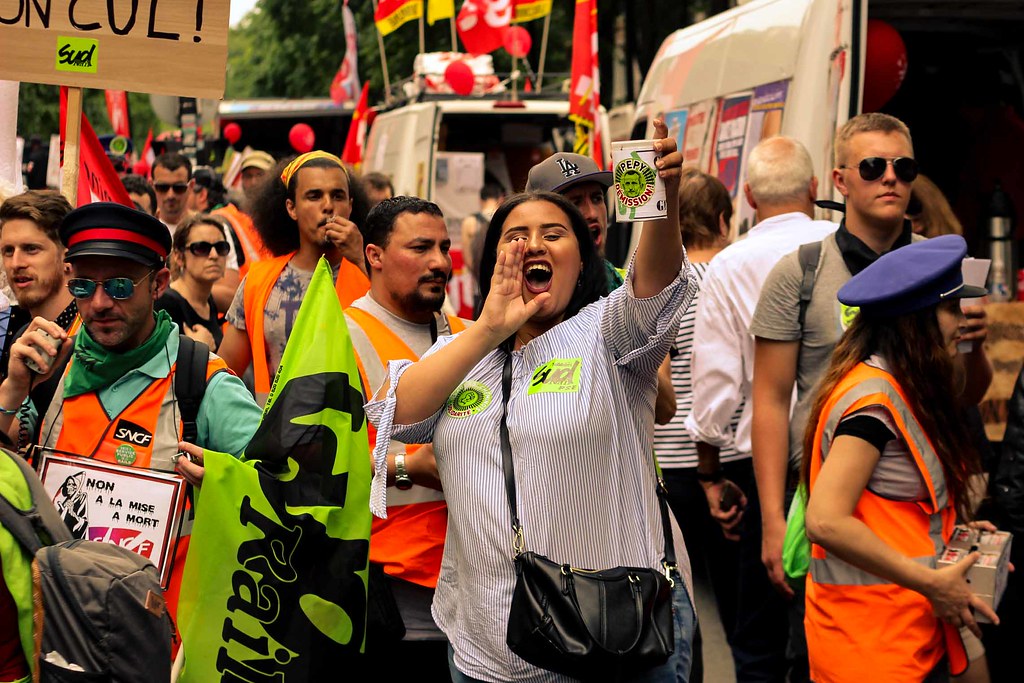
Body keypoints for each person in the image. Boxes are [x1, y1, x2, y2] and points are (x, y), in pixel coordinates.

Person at [366, 120, 697, 682]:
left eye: (554, 233)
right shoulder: (465, 351)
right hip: (484, 653)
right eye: (516, 235)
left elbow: (656, 281)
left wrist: (659, 202)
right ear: (494, 259)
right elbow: (400, 411)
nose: (534, 245)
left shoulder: (607, 332)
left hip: (609, 645)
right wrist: (489, 329)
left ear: (583, 257)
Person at [749, 113, 993, 618]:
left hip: (923, 506)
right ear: (839, 179)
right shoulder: (800, 271)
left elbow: (967, 396)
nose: (891, 178)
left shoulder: (948, 270)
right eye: (873, 166)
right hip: (834, 507)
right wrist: (773, 519)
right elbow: (771, 400)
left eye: (904, 167)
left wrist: (975, 347)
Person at [0, 202, 262, 625]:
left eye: (120, 287)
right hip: (59, 635)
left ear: (158, 283)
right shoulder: (49, 371)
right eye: (84, 287)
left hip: (160, 641)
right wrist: (12, 388)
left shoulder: (202, 382)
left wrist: (222, 484)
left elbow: (279, 497)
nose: (100, 303)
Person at [802, 234, 995, 682]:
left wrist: (957, 535)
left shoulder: (902, 383)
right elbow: (825, 521)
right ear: (919, 322)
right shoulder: (872, 402)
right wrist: (932, 584)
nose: (960, 321)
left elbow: (898, 511)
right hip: (872, 644)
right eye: (952, 309)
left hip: (908, 624)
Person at [684, 136, 837, 680]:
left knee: (760, 632)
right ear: (816, 189)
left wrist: (709, 475)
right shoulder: (844, 246)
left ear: (747, 197)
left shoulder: (731, 265)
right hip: (848, 452)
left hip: (760, 465)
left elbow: (717, 385)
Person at [344, 196, 467, 677]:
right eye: (420, 248)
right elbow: (309, 464)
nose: (440, 262)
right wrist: (405, 468)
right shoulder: (337, 338)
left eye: (444, 247)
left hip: (482, 594)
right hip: (393, 599)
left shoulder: (470, 334)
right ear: (374, 255)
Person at [651, 170, 737, 682]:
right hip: (717, 462)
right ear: (723, 221)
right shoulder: (728, 280)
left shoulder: (662, 283)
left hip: (669, 467)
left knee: (683, 599)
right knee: (731, 598)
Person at [219, 151, 370, 405]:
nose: (328, 205)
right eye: (314, 196)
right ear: (291, 208)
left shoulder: (375, 273)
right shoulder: (259, 280)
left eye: (337, 196)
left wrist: (363, 261)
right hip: (277, 439)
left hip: (359, 440)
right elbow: (223, 377)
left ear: (351, 206)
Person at [0, 190, 78, 381]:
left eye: (31, 249)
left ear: (67, 257)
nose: (16, 263)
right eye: (8, 251)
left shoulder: (93, 333)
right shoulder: (22, 335)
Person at [526, 152, 623, 290]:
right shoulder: (528, 293)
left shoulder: (625, 284)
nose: (592, 213)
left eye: (597, 198)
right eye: (575, 203)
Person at [156, 214, 229, 350]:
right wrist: (198, 350)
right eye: (201, 248)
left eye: (221, 247)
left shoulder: (208, 301)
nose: (214, 255)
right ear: (178, 256)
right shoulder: (165, 303)